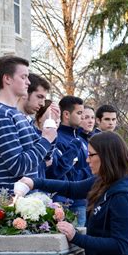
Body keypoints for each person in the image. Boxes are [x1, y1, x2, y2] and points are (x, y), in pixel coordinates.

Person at [18, 132, 128, 255]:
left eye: (91, 155)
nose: (87, 160)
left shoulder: (123, 197)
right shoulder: (104, 181)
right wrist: (34, 182)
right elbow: (72, 188)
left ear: (107, 156)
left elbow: (120, 245)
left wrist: (76, 237)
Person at [0, 56, 57, 198]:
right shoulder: (1, 115)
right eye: (24, 77)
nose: (28, 82)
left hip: (25, 201)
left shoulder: (16, 114)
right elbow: (18, 166)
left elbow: (46, 158)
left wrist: (50, 126)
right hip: (7, 204)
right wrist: (46, 139)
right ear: (7, 79)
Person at [53, 95, 92, 226]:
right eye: (79, 113)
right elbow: (63, 171)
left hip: (83, 199)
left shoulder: (81, 138)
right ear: (66, 114)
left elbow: (84, 165)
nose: (83, 117)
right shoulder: (58, 138)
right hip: (66, 201)